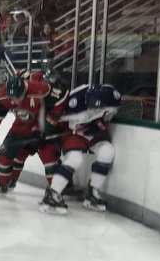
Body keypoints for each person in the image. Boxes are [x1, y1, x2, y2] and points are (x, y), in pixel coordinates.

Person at [39, 84, 122, 214]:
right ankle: (52, 195)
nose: (93, 111)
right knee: (75, 158)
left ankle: (92, 193)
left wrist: (93, 127)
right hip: (73, 132)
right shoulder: (73, 103)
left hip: (93, 133)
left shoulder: (112, 98)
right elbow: (52, 119)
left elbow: (106, 119)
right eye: (92, 108)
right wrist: (50, 134)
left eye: (97, 109)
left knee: (107, 152)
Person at [0, 74, 62, 197]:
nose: (13, 102)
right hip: (20, 128)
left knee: (50, 158)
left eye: (17, 98)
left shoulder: (41, 90)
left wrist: (42, 128)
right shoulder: (3, 95)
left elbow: (59, 103)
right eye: (11, 98)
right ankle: (4, 186)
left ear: (25, 91)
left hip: (43, 129)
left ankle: (54, 193)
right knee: (4, 156)